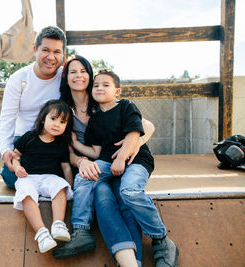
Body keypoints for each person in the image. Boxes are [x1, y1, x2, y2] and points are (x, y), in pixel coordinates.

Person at [53, 56, 154, 266]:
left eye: (83, 71)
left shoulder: (103, 101)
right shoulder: (62, 110)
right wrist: (81, 162)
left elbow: (147, 126)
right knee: (103, 194)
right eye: (73, 71)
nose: (79, 75)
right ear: (66, 77)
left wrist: (130, 148)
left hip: (117, 162)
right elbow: (64, 151)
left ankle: (135, 260)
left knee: (124, 197)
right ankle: (86, 236)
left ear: (90, 76)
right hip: (95, 165)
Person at [72, 69, 179, 267]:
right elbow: (95, 152)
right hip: (107, 161)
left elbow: (134, 134)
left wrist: (121, 157)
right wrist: (78, 147)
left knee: (129, 191)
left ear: (117, 91)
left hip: (136, 160)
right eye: (96, 85)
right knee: (84, 177)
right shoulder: (95, 119)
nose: (100, 88)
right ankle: (80, 230)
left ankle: (161, 238)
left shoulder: (126, 106)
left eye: (106, 85)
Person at [0, 25, 66, 189]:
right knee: (10, 176)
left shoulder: (66, 77)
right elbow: (7, 118)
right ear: (35, 49)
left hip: (56, 140)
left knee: (73, 174)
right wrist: (6, 150)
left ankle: (42, 183)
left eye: (57, 52)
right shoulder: (19, 79)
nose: (51, 57)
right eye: (45, 50)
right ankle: (44, 184)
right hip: (25, 141)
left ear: (63, 54)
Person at [12, 99, 74, 253]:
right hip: (28, 177)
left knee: (60, 186)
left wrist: (70, 187)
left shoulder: (61, 144)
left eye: (62, 121)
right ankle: (41, 234)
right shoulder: (29, 137)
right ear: (42, 119)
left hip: (49, 178)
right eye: (53, 119)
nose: (57, 124)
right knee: (26, 194)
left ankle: (58, 224)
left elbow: (66, 167)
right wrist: (17, 167)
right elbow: (15, 156)